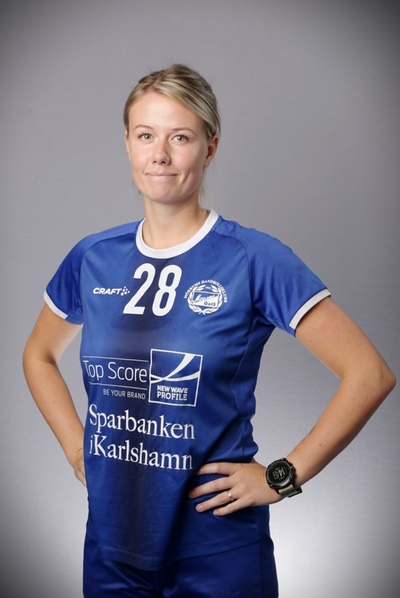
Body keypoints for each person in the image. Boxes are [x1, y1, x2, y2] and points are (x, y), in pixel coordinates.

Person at [23, 63, 396, 598]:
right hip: (111, 546)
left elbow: (369, 373)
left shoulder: (253, 258)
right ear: (126, 143)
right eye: (145, 135)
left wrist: (283, 477)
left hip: (218, 549)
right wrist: (76, 448)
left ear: (210, 147)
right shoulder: (92, 257)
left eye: (180, 137)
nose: (160, 154)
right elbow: (38, 355)